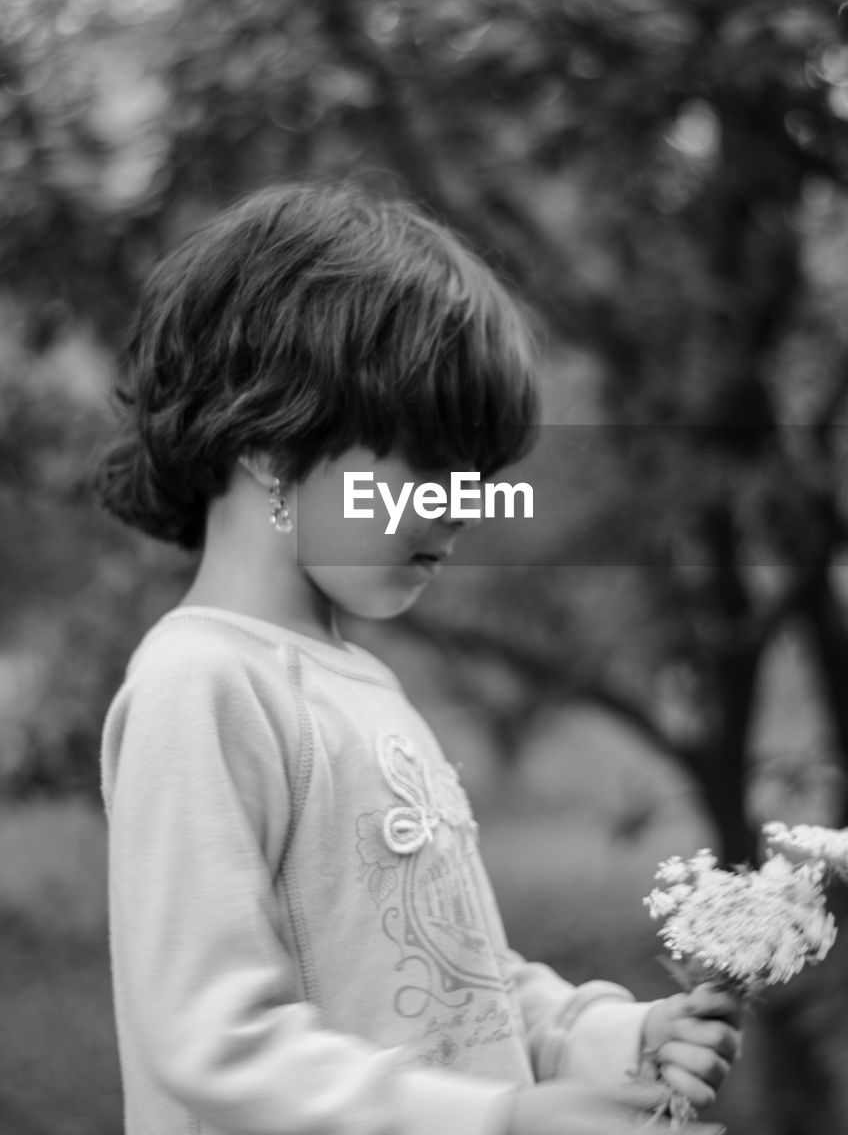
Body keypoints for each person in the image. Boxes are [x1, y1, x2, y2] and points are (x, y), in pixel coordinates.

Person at [97, 180, 740, 1135]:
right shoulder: (201, 686)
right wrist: (503, 1121)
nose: (460, 509)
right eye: (431, 472)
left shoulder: (361, 685)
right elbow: (213, 1044)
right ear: (271, 446)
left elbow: (455, 976)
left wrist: (613, 1037)